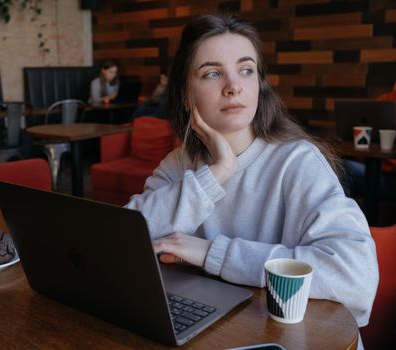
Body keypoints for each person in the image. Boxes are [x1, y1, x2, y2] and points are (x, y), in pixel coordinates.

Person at [125, 14, 378, 334]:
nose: (233, 86)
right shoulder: (179, 163)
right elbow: (125, 241)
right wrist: (217, 173)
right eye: (212, 73)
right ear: (187, 95)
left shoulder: (297, 161)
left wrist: (211, 253)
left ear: (259, 83)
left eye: (246, 70)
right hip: (215, 332)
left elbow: (355, 277)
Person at [343, 81, 396, 199]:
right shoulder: (386, 100)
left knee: (345, 169)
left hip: (389, 178)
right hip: (378, 169)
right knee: (340, 167)